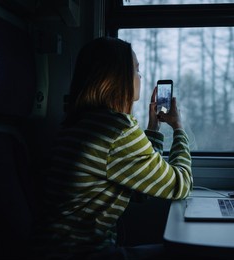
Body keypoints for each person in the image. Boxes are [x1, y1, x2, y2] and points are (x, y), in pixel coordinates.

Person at [33, 37, 193, 260]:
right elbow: (181, 184)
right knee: (189, 253)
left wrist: (153, 128)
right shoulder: (117, 128)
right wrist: (178, 128)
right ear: (118, 78)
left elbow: (140, 192)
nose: (140, 77)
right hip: (85, 254)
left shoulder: (80, 122)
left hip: (55, 251)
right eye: (136, 70)